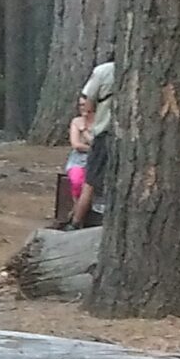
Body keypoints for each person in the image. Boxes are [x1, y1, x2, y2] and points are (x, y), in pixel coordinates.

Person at [73, 49, 115, 227]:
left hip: (105, 133)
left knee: (90, 181)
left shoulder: (103, 71)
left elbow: (89, 101)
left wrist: (88, 122)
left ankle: (76, 221)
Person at [59, 95, 94, 228]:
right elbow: (76, 144)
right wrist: (93, 148)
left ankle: (76, 215)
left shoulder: (101, 121)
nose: (83, 108)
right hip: (78, 160)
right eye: (80, 105)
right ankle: (77, 213)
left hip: (95, 161)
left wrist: (84, 132)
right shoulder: (76, 121)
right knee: (77, 181)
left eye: (85, 104)